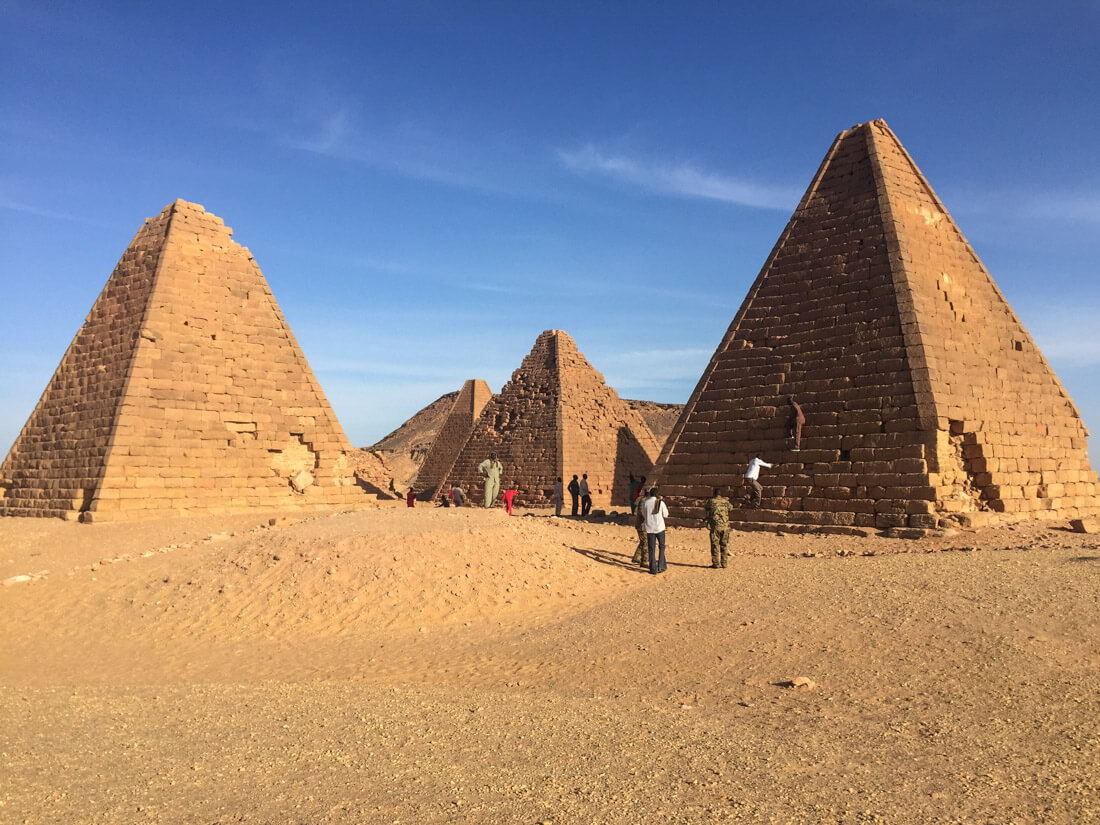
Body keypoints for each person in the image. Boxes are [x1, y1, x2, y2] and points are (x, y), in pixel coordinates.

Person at [640, 487, 668, 575]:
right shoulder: (660, 502)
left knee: (651, 548)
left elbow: (643, 514)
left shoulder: (645, 503)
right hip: (660, 528)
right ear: (657, 494)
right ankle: (661, 566)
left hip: (649, 528)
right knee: (662, 546)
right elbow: (666, 514)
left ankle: (653, 568)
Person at [705, 487, 733, 568]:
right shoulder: (725, 501)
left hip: (715, 527)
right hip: (725, 527)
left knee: (715, 545)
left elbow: (706, 509)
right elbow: (730, 508)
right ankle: (724, 563)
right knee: (724, 545)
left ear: (714, 494)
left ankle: (716, 564)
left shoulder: (711, 501)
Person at [630, 494, 649, 568]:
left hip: (641, 524)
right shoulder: (644, 501)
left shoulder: (643, 500)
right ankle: (644, 561)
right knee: (645, 542)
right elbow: (642, 513)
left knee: (643, 541)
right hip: (641, 525)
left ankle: (636, 557)